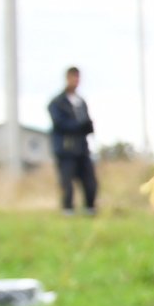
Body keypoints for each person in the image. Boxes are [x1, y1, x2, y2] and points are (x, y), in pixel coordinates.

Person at [47, 68, 97, 214]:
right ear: (67, 78)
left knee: (90, 181)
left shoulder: (81, 102)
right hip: (65, 149)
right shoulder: (57, 102)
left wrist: (89, 127)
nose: (76, 81)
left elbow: (86, 123)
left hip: (82, 148)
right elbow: (59, 123)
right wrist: (79, 126)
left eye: (78, 78)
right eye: (73, 78)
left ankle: (90, 209)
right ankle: (67, 210)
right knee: (67, 182)